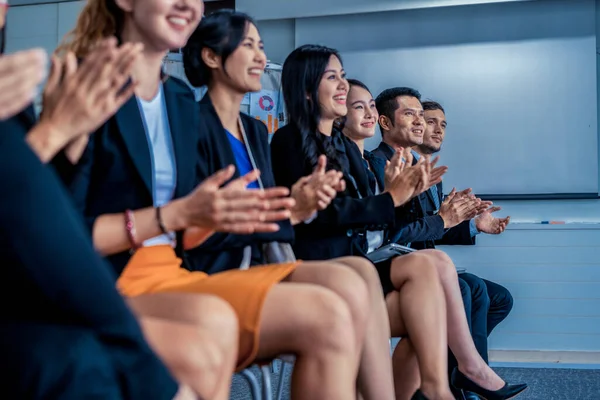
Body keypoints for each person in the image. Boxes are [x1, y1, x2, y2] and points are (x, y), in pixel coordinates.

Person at [55, 2, 367, 399]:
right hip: (112, 276)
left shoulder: (178, 99)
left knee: (331, 313)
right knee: (223, 324)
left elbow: (191, 226)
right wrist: (178, 215)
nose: (189, 5)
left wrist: (285, 209)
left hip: (175, 267)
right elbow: (61, 232)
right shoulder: (86, 85)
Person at [271, 49, 527, 400]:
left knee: (437, 278)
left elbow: (377, 219)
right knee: (439, 283)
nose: (344, 86)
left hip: (363, 258)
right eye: (333, 77)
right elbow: (346, 218)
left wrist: (447, 215)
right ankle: (453, 382)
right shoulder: (297, 141)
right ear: (305, 89)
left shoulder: (346, 152)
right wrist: (396, 199)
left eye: (343, 76)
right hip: (337, 264)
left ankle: (446, 384)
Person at [183, 10, 398, 400]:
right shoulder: (194, 126)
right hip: (222, 265)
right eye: (248, 46)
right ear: (212, 57)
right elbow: (202, 222)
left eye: (261, 47)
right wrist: (294, 211)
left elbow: (275, 219)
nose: (261, 59)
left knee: (360, 273)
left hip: (263, 257)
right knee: (347, 287)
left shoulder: (252, 131)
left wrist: (297, 208)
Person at [0, 11, 201, 400]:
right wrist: (57, 133)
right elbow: (53, 213)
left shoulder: (182, 99)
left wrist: (64, 139)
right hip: (107, 268)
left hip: (143, 267)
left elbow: (41, 206)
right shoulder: (86, 79)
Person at [414, 100, 515, 399]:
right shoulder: (402, 170)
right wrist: (446, 219)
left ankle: (456, 372)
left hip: (430, 263)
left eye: (443, 125)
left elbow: (436, 229)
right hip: (410, 266)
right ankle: (470, 380)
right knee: (470, 289)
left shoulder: (434, 177)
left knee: (501, 298)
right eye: (431, 121)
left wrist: (473, 225)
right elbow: (417, 232)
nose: (438, 129)